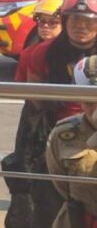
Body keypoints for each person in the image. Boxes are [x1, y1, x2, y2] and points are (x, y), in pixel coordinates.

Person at [26, 0, 97, 226]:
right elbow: (34, 103)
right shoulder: (42, 54)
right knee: (51, 205)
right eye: (75, 20)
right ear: (65, 21)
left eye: (90, 21)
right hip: (59, 140)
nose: (81, 27)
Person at [3, 0, 64, 228]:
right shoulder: (32, 53)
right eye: (41, 22)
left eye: (52, 22)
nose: (45, 27)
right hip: (36, 123)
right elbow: (29, 94)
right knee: (30, 178)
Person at [46, 55, 97, 227]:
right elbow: (60, 183)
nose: (95, 106)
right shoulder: (64, 133)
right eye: (89, 100)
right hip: (80, 219)